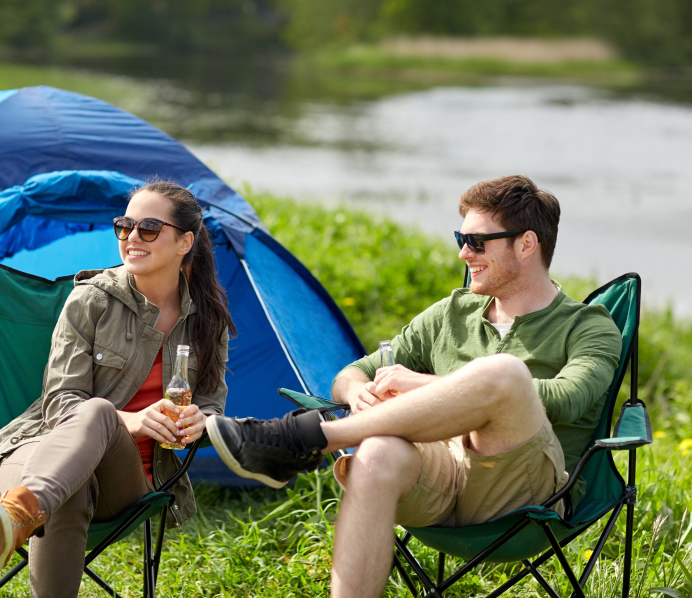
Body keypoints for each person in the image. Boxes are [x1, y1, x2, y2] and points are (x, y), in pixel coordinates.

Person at [206, 175, 622, 598]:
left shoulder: (587, 326)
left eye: (478, 242)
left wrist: (424, 383)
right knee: (379, 452)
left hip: (522, 495)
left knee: (506, 373)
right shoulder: (451, 314)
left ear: (526, 244)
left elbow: (570, 399)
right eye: (462, 237)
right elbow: (348, 374)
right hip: (440, 482)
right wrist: (356, 393)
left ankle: (307, 438)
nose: (464, 252)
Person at [0, 182, 235, 597]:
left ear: (185, 241)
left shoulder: (208, 319)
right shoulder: (91, 300)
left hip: (125, 481)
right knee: (86, 441)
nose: (131, 238)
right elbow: (60, 403)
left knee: (98, 415)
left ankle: (21, 514)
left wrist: (203, 422)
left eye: (148, 228)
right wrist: (131, 419)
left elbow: (212, 408)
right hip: (34, 454)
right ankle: (20, 510)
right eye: (124, 226)